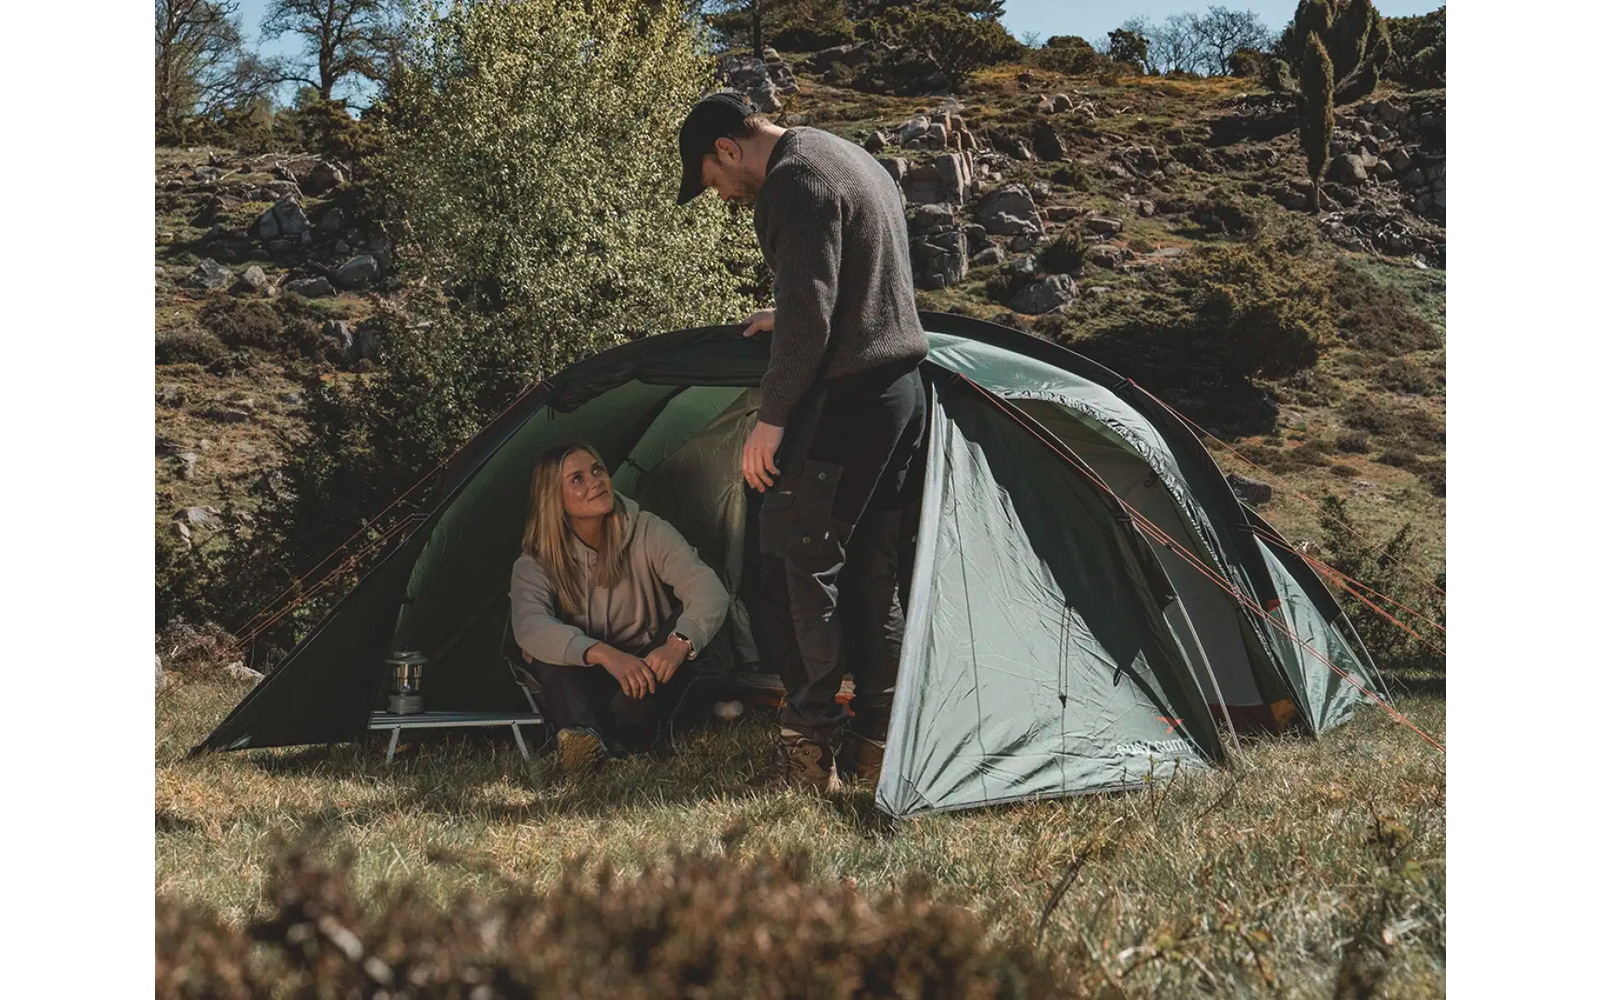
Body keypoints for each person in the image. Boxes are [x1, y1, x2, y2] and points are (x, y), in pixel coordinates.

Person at [676, 92, 929, 791]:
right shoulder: (846, 156)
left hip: (847, 401)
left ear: (729, 148)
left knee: (796, 569)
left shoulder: (792, 180)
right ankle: (877, 748)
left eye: (713, 180)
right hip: (901, 393)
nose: (722, 196)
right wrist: (785, 310)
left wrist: (771, 419)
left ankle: (810, 757)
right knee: (873, 576)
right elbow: (842, 287)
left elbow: (814, 321)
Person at [509, 443, 730, 775]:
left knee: (683, 624)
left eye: (597, 470)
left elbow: (707, 587)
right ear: (555, 500)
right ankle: (583, 738)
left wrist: (678, 642)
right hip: (584, 676)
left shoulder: (646, 528)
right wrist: (602, 654)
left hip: (643, 668)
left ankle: (606, 738)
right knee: (550, 647)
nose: (595, 481)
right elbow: (529, 624)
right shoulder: (536, 560)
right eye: (577, 479)